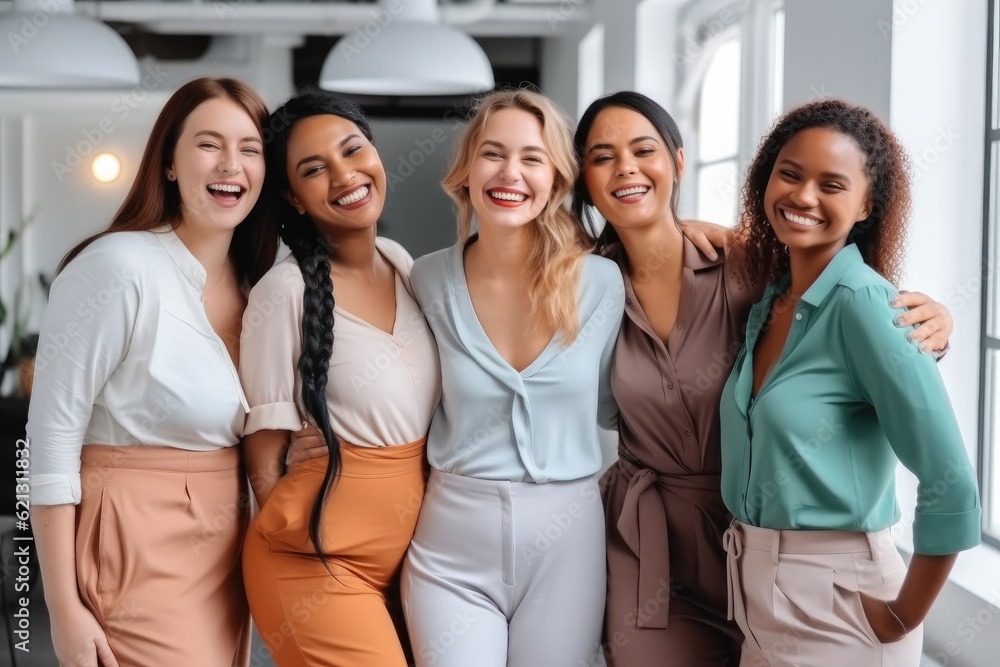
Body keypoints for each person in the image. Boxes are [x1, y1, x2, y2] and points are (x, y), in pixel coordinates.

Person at [571, 91, 956, 667]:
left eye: (643, 149)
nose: (625, 166)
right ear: (583, 177)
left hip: (758, 540)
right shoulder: (581, 288)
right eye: (602, 157)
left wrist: (937, 325)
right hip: (649, 543)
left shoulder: (751, 267)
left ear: (677, 162)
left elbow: (846, 317)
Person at [719, 99, 980, 666]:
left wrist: (902, 614)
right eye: (789, 174)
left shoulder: (866, 305)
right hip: (756, 602)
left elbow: (951, 482)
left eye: (831, 184)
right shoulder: (770, 301)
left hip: (840, 608)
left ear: (866, 206)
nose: (803, 196)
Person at [27, 77, 271, 667]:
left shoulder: (263, 287)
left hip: (226, 542)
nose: (231, 164)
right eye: (208, 144)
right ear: (167, 163)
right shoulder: (119, 267)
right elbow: (49, 440)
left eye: (251, 147)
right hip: (136, 536)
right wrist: (61, 605)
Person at [400, 89, 623, 667]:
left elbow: (610, 405)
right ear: (467, 169)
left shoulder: (601, 282)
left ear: (556, 177)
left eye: (533, 157)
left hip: (568, 541)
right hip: (451, 543)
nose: (511, 173)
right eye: (493, 153)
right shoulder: (423, 280)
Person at [238, 89, 441, 667]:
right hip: (312, 563)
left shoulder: (403, 264)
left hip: (413, 557)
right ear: (293, 199)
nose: (344, 175)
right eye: (314, 169)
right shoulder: (284, 293)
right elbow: (263, 457)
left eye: (353, 151)